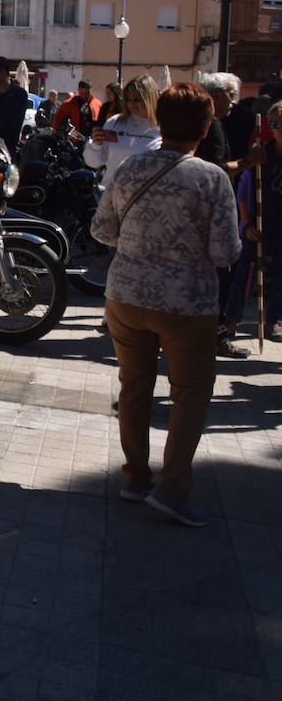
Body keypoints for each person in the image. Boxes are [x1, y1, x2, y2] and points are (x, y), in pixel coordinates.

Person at [91, 83, 241, 528]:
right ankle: (173, 489)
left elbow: (102, 230)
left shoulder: (133, 168)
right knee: (189, 394)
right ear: (205, 126)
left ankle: (135, 477)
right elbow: (225, 252)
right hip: (186, 303)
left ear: (161, 120)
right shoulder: (211, 178)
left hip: (126, 294)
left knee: (134, 387)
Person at [196, 73, 269, 357]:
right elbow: (216, 169)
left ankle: (214, 334)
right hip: (214, 210)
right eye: (230, 95)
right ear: (215, 96)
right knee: (222, 275)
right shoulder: (211, 124)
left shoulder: (215, 122)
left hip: (211, 207)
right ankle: (215, 337)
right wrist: (249, 161)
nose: (234, 100)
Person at [224, 100, 282, 343]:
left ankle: (275, 321)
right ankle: (231, 319)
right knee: (244, 271)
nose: (280, 127)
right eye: (276, 123)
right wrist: (246, 224)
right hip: (258, 221)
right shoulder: (261, 153)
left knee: (281, 273)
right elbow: (244, 190)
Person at [84, 74, 161, 185]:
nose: (132, 104)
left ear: (150, 98)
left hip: (146, 197)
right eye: (128, 99)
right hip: (112, 194)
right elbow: (93, 163)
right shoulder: (114, 122)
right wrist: (96, 145)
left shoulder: (163, 126)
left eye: (137, 99)